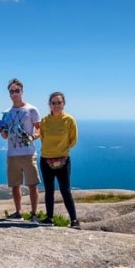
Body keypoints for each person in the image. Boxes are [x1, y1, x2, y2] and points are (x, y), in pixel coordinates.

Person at [0, 77, 40, 221]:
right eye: (12, 91)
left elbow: (40, 130)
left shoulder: (32, 110)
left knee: (32, 185)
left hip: (28, 153)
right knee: (15, 185)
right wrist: (1, 129)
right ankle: (18, 212)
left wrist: (32, 137)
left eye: (17, 90)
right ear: (9, 94)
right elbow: (4, 136)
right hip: (12, 154)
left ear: (22, 91)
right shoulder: (6, 112)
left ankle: (34, 214)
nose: (14, 93)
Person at [38, 91, 79, 228]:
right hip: (46, 160)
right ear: (49, 104)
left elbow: (73, 140)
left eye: (59, 102)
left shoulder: (69, 120)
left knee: (65, 190)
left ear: (64, 104)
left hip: (63, 160)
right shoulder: (44, 121)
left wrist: (62, 151)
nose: (56, 105)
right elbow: (43, 137)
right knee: (48, 190)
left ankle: (74, 220)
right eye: (53, 102)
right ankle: (49, 218)